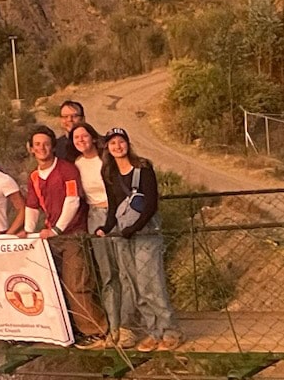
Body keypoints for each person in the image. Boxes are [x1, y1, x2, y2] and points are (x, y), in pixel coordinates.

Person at [96, 128, 182, 351]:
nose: (117, 146)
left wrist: (135, 227)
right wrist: (106, 227)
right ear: (107, 147)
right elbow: (113, 205)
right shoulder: (109, 174)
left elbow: (151, 204)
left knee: (151, 282)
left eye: (121, 141)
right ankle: (153, 331)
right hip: (124, 235)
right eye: (112, 143)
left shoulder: (143, 169)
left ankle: (169, 330)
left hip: (146, 234)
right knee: (135, 285)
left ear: (128, 143)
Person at [23, 126, 108, 346]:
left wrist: (57, 229)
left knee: (77, 282)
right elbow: (32, 206)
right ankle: (64, 329)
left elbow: (73, 201)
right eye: (37, 144)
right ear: (30, 148)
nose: (42, 148)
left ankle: (96, 330)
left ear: (53, 146)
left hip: (73, 234)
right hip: (50, 237)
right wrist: (28, 231)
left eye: (46, 143)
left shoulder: (67, 170)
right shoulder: (34, 176)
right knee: (52, 284)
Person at [70, 121, 131, 346]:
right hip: (95, 217)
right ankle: (112, 326)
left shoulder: (107, 158)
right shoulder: (76, 164)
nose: (81, 141)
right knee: (107, 274)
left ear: (93, 137)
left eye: (84, 136)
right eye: (76, 138)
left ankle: (127, 325)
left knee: (126, 270)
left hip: (117, 213)